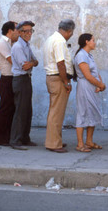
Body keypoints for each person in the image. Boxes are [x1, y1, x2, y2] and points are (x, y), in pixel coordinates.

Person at [43, 19, 75, 153]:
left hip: (53, 78)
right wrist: (66, 82)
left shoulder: (51, 39)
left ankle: (56, 140)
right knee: (56, 112)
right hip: (58, 78)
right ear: (69, 31)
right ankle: (54, 144)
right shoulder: (60, 41)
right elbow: (60, 63)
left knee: (55, 111)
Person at [73, 33, 106, 153]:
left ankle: (89, 141)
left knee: (92, 112)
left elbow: (95, 73)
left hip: (92, 87)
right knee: (83, 113)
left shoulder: (89, 56)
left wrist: (100, 84)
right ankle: (80, 143)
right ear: (86, 42)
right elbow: (87, 75)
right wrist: (100, 85)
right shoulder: (81, 56)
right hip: (85, 87)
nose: (95, 42)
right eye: (93, 40)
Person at [10, 21, 39, 150]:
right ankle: (15, 140)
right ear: (20, 32)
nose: (29, 34)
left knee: (27, 110)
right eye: (26, 31)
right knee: (20, 111)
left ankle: (25, 138)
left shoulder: (26, 46)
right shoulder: (18, 47)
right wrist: (32, 63)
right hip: (20, 80)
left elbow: (36, 61)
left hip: (26, 79)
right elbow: (26, 65)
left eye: (30, 31)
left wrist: (32, 63)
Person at [0, 21, 19, 146]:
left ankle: (8, 135)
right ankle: (1, 137)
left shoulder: (11, 43)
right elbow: (13, 61)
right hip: (6, 79)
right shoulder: (2, 43)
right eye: (17, 29)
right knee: (5, 108)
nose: (19, 32)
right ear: (10, 31)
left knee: (11, 108)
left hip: (12, 78)